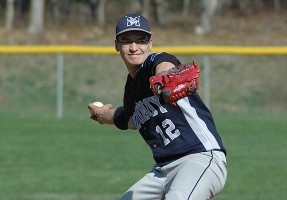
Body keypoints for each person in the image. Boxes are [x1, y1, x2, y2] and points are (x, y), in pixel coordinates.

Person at [88, 13, 227, 200]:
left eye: (141, 40)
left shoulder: (157, 61)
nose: (134, 47)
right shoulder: (131, 89)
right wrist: (103, 115)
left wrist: (164, 79)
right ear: (117, 45)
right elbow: (130, 119)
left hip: (199, 158)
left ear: (150, 43)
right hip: (163, 171)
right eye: (126, 41)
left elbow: (165, 65)